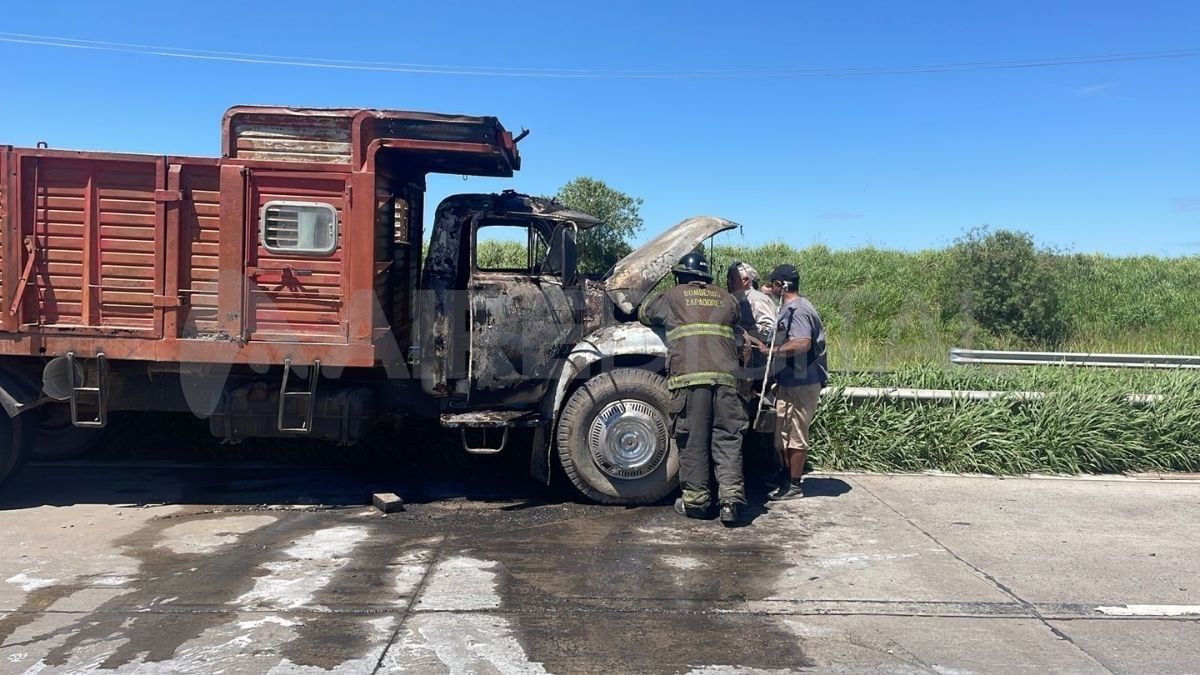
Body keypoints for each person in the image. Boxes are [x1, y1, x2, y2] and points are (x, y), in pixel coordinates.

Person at [640, 251, 748, 525]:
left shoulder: (672, 296)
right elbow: (736, 319)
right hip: (726, 380)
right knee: (728, 438)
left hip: (689, 380)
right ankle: (731, 502)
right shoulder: (726, 298)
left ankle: (698, 503)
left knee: (694, 439)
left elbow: (645, 313)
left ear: (679, 275)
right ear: (706, 276)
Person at [757, 264, 827, 500]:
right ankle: (785, 476)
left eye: (772, 284)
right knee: (782, 431)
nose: (770, 288)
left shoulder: (799, 309)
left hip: (803, 381)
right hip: (789, 380)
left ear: (781, 285)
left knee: (795, 431)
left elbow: (802, 342)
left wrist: (773, 351)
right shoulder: (788, 308)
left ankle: (794, 485)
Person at [726, 261, 776, 344]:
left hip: (757, 355)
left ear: (745, 280)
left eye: (732, 279)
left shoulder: (757, 300)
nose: (728, 282)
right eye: (728, 278)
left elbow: (769, 330)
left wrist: (741, 332)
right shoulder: (736, 300)